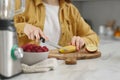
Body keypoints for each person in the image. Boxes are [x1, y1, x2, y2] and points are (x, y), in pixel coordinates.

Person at [14, 0, 99, 50]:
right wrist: (23, 27)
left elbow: (93, 37)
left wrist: (83, 41)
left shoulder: (71, 10)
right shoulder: (20, 3)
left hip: (62, 70)